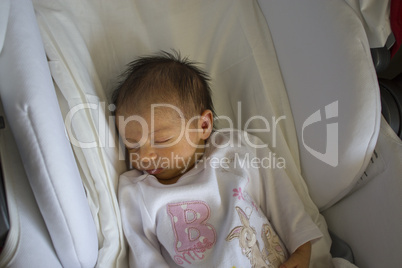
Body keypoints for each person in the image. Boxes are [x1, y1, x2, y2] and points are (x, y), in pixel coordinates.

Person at [112, 51, 322, 268]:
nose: (144, 157)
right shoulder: (139, 192)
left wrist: (302, 249)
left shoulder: (234, 150)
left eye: (161, 140)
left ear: (203, 126)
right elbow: (143, 255)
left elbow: (280, 197)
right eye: (132, 145)